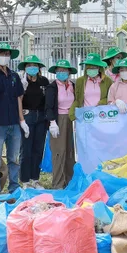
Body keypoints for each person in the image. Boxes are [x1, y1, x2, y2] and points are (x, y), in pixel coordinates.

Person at [0, 42, 27, 196]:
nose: (4, 56)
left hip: (14, 123)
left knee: (14, 159)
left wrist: (22, 120)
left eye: (7, 54)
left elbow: (18, 98)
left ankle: (14, 189)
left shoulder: (14, 75)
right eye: (1, 53)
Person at [18, 55, 49, 187]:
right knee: (26, 149)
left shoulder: (44, 82)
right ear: (25, 68)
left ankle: (35, 178)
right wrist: (21, 119)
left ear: (39, 68)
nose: (32, 68)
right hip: (27, 116)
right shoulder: (22, 82)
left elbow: (47, 100)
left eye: (34, 66)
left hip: (41, 117)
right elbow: (18, 100)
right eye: (29, 66)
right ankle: (25, 180)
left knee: (38, 149)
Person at [47, 60, 76, 188]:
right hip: (58, 119)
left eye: (64, 70)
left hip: (71, 119)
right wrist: (52, 122)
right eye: (59, 70)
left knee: (70, 151)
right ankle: (58, 183)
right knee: (59, 151)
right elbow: (48, 106)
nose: (62, 73)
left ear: (69, 72)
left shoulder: (72, 85)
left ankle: (70, 182)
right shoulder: (52, 87)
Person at [70, 53, 113, 121]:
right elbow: (78, 99)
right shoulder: (80, 81)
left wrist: (102, 102)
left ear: (99, 68)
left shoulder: (107, 81)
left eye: (94, 67)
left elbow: (111, 97)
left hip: (102, 115)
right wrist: (72, 113)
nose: (91, 69)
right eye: (89, 67)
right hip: (86, 116)